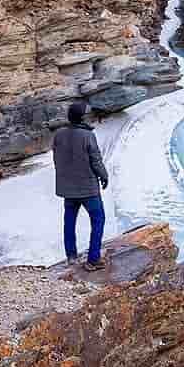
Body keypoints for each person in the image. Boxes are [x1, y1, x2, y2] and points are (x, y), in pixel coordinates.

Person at [52, 100, 109, 270]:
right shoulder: (87, 136)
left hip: (67, 188)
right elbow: (96, 161)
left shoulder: (59, 134)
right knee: (98, 220)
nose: (89, 117)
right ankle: (93, 260)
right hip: (87, 188)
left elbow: (56, 159)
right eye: (87, 115)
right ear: (82, 117)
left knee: (69, 222)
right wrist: (104, 176)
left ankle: (71, 257)